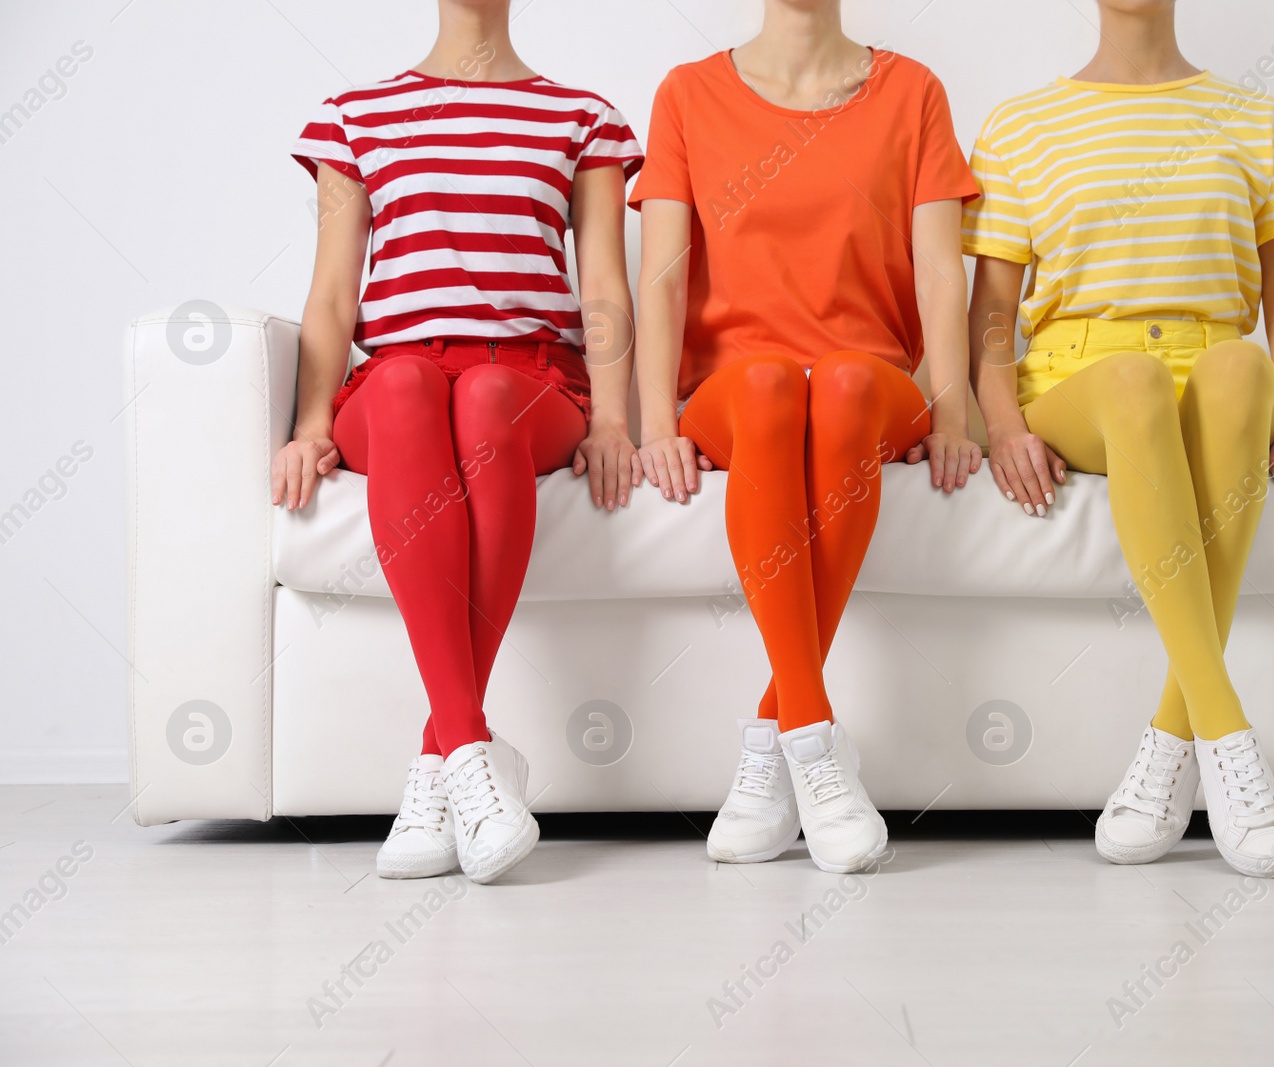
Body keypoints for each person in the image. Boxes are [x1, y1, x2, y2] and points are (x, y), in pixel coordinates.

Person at [964, 0, 1274, 877]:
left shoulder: (1257, 119)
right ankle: (1231, 738)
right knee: (1132, 378)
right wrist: (1004, 422)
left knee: (1245, 369)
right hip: (1080, 383)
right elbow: (990, 317)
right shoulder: (1020, 125)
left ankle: (1170, 746)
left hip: (1215, 372)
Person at [277, 0, 643, 883]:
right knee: (406, 380)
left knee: (483, 395)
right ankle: (473, 751)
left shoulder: (584, 117)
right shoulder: (352, 118)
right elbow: (332, 295)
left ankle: (440, 765)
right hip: (395, 380)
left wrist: (614, 417)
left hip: (531, 380)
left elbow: (603, 283)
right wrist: (310, 422)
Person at [631, 0, 983, 873]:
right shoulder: (686, 95)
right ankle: (815, 742)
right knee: (768, 382)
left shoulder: (914, 92)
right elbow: (663, 280)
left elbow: (943, 275)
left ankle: (776, 737)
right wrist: (648, 420)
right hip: (734, 392)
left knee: (848, 378)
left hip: (873, 387)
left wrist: (953, 408)